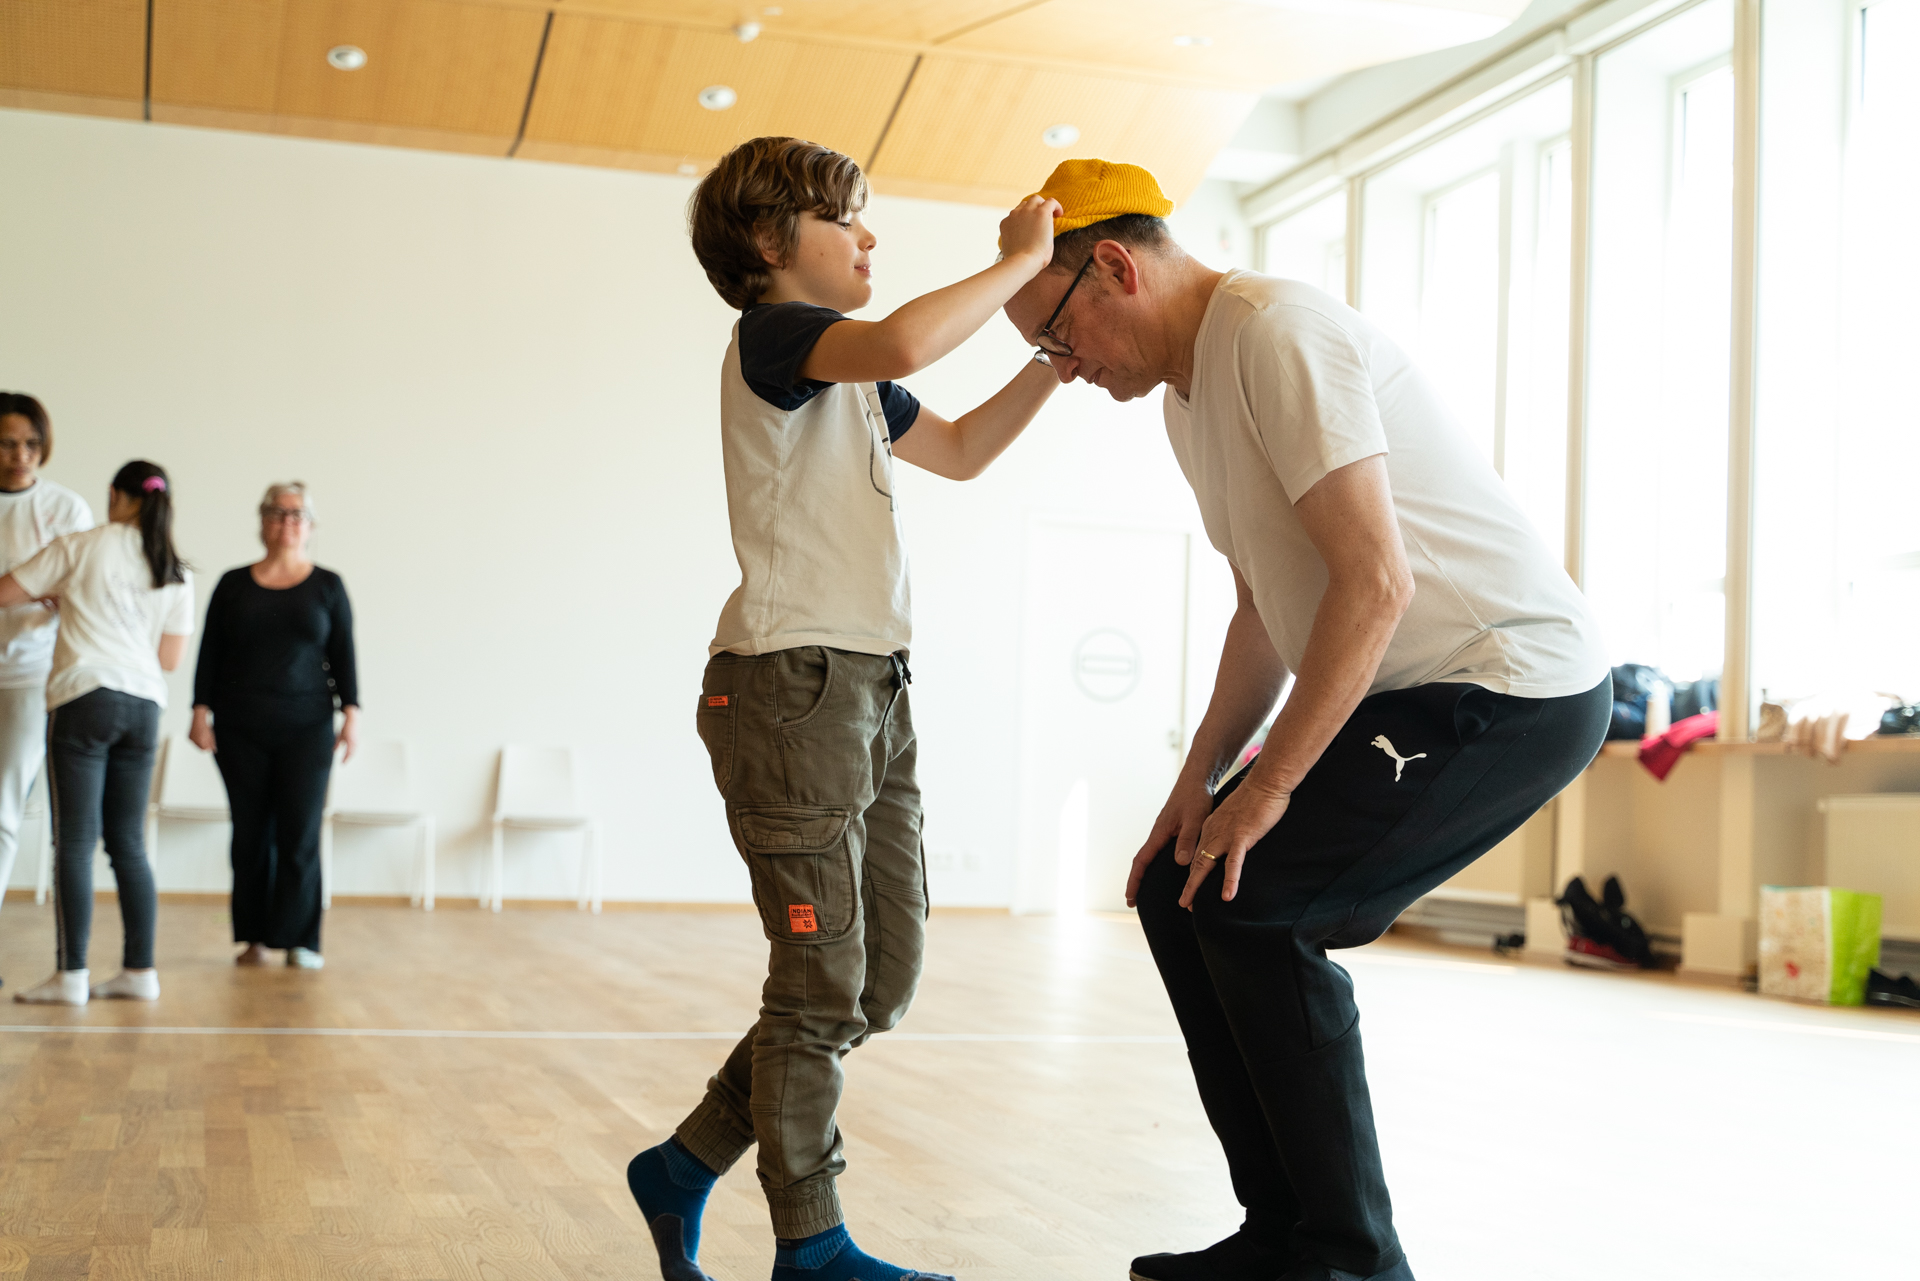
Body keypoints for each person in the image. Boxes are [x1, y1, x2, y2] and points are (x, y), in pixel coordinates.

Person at [1002, 160, 1611, 1281]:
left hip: (1509, 681)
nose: (1065, 368)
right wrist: (1200, 787)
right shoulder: (1187, 405)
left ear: (1115, 267)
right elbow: (1263, 611)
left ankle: (1349, 1261)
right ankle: (1281, 1235)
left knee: (1262, 903)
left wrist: (1269, 790)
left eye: (1055, 336)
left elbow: (1375, 584)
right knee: (1181, 888)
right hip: (1408, 686)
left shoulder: (1276, 330)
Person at [622, 136, 1061, 1281]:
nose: (870, 238)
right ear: (772, 246)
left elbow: (960, 451)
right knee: (818, 984)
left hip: (872, 686)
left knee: (881, 979)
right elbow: (913, 334)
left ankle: (681, 1166)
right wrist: (1020, 263)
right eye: (846, 221)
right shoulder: (774, 340)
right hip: (790, 689)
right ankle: (811, 1246)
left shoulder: (852, 377)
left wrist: (1053, 362)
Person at [4, 461, 194, 1007]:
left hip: (84, 697)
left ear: (115, 496)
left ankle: (71, 975)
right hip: (143, 706)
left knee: (75, 842)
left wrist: (61, 600)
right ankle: (140, 970)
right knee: (128, 843)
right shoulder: (173, 566)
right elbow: (170, 657)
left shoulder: (82, 545)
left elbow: (6, 593)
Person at [189, 482, 358, 971]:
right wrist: (200, 711)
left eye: (298, 514)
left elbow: (343, 654)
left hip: (307, 728)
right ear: (262, 520)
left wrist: (352, 715)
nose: (288, 521)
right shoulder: (232, 584)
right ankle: (255, 938)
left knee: (299, 832)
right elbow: (209, 654)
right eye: (278, 512)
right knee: (250, 834)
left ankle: (301, 939)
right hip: (239, 727)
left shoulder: (328, 585)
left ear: (310, 526)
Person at [0, 393, 93, 988]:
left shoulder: (66, 508)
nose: (20, 456)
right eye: (8, 443)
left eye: (30, 444)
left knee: (4, 806)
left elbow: (81, 591)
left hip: (31, 677)